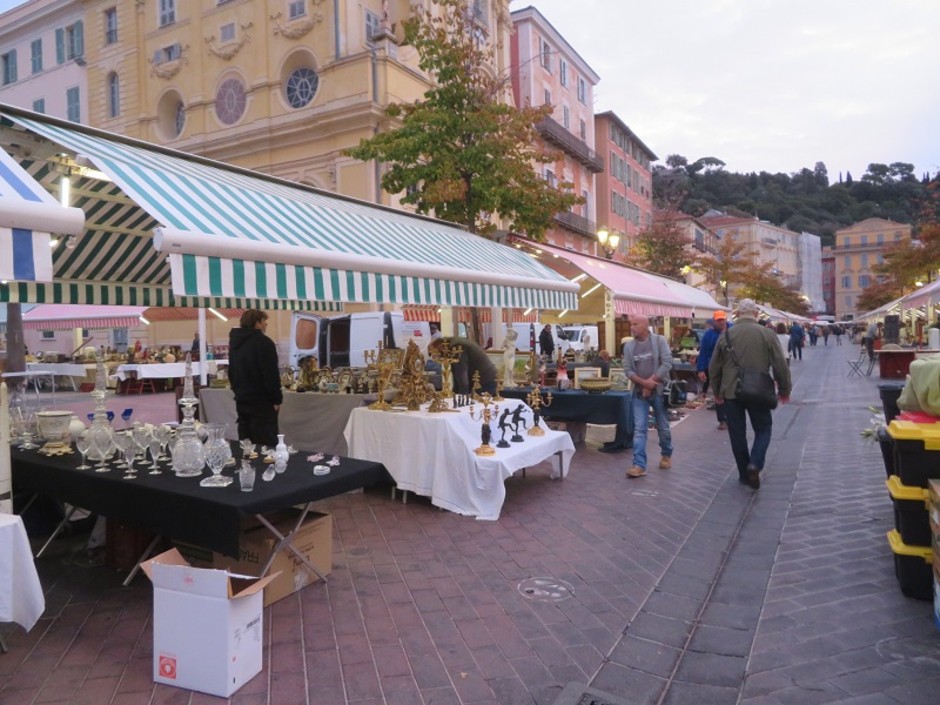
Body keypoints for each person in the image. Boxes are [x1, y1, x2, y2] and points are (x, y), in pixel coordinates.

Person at [709, 298, 791, 490]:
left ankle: (744, 474)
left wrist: (717, 390)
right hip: (758, 390)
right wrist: (784, 389)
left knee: (737, 434)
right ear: (755, 314)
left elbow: (714, 367)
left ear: (737, 314)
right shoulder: (767, 333)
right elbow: (780, 364)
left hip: (731, 391)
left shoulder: (726, 334)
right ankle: (755, 463)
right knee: (763, 428)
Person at [622, 315, 673, 478]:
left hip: (658, 391)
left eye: (635, 324)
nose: (632, 327)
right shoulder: (629, 347)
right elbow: (628, 370)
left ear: (645, 325)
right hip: (639, 393)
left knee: (663, 426)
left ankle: (666, 454)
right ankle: (639, 464)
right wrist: (644, 384)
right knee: (639, 429)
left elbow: (667, 363)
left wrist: (651, 382)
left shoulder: (659, 341)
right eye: (631, 324)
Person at [228, 310, 283, 448]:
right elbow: (270, 374)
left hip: (242, 400)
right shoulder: (264, 343)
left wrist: (237, 391)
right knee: (265, 445)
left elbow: (231, 371)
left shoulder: (235, 343)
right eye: (264, 321)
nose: (266, 324)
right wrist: (277, 399)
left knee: (246, 444)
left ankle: (247, 468)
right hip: (262, 403)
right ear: (257, 323)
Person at [428, 336, 497, 395]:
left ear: (440, 347)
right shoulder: (455, 344)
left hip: (485, 381)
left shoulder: (457, 346)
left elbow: (461, 374)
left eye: (436, 353)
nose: (438, 357)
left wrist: (461, 396)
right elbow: (457, 377)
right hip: (485, 378)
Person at [696, 311, 729, 430]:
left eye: (722, 319)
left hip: (730, 368)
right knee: (719, 394)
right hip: (715, 369)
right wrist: (701, 370)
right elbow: (703, 352)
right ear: (713, 321)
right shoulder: (708, 335)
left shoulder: (732, 330)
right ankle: (722, 420)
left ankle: (730, 418)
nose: (721, 322)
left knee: (731, 395)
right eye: (718, 320)